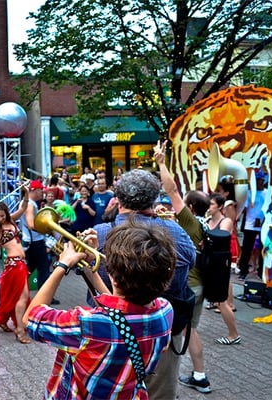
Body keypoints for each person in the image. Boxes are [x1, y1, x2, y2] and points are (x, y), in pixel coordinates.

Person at [24, 222, 176, 399]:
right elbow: (118, 317)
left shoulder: (86, 323)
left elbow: (30, 319)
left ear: (113, 277)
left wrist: (62, 265)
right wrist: (90, 268)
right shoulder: (165, 311)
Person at [88, 169, 196, 400]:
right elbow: (191, 259)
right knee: (160, 394)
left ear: (117, 199)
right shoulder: (174, 232)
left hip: (108, 333)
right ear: (154, 199)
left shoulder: (100, 233)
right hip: (161, 330)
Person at [155, 141, 214, 393]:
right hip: (200, 281)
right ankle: (198, 375)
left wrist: (160, 163)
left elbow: (172, 190)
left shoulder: (189, 221)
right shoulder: (204, 223)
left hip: (189, 284)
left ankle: (200, 376)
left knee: (188, 331)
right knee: (191, 329)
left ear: (189, 208)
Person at [0, 195, 29, 342]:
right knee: (22, 297)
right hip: (14, 264)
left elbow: (23, 208)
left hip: (20, 263)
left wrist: (26, 193)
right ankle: (20, 330)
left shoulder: (11, 221)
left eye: (2, 215)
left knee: (13, 296)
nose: (1, 218)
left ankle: (2, 321)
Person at [206, 193, 241, 345]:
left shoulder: (225, 220)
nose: (209, 207)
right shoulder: (208, 220)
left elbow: (221, 237)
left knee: (222, 301)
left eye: (212, 204)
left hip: (221, 261)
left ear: (220, 206)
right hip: (210, 261)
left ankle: (234, 334)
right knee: (218, 299)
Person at [20, 180, 57, 303]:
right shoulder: (30, 204)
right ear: (34, 190)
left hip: (32, 241)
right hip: (36, 242)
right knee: (44, 269)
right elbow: (31, 224)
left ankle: (18, 291)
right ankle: (45, 298)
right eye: (41, 190)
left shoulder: (28, 203)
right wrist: (46, 228)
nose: (43, 192)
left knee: (30, 268)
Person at [237, 174, 267, 280]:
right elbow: (244, 208)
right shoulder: (249, 193)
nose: (260, 182)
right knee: (247, 249)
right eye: (258, 180)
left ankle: (261, 272)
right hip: (250, 225)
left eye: (261, 180)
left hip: (264, 225)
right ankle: (243, 271)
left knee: (264, 249)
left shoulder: (267, 193)